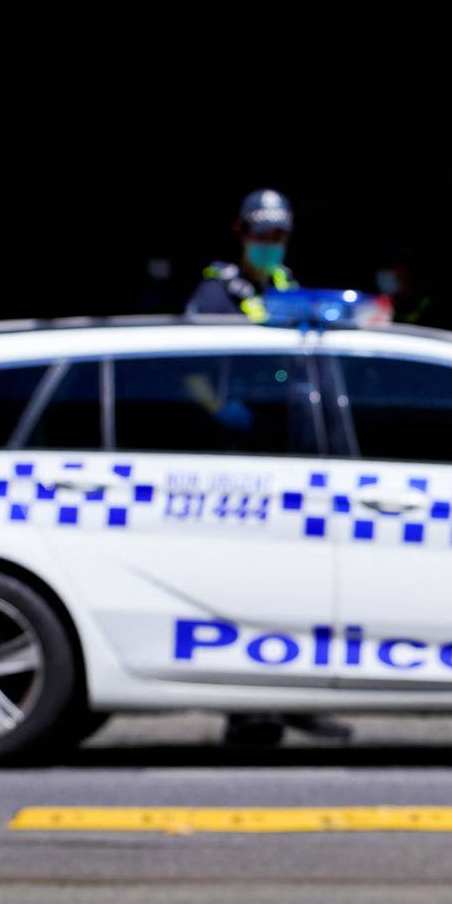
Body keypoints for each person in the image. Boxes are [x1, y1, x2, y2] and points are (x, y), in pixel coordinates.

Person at [183, 189, 350, 746]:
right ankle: (249, 711)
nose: (270, 247)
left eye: (278, 237)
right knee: (245, 586)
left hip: (288, 450)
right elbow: (188, 370)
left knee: (296, 583)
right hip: (234, 458)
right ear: (240, 231)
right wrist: (221, 412)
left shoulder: (283, 284)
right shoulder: (216, 289)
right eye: (262, 236)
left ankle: (294, 697)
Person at [186, 189, 300, 321]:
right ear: (242, 234)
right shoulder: (214, 294)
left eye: (277, 237)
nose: (269, 244)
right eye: (261, 236)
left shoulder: (289, 287)